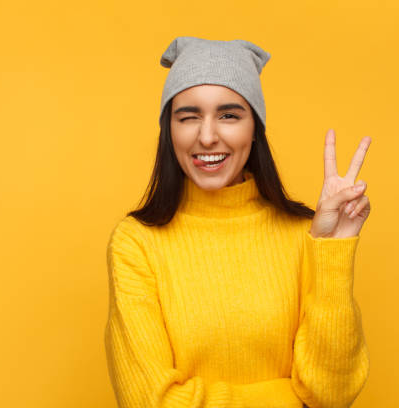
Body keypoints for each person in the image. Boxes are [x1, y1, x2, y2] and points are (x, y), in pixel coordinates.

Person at [104, 36, 372, 408]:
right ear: (170, 130)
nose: (208, 136)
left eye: (229, 115)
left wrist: (331, 251)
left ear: (254, 128)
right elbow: (151, 402)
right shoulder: (136, 243)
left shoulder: (306, 235)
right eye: (188, 116)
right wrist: (289, 397)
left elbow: (331, 394)